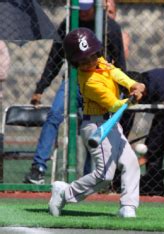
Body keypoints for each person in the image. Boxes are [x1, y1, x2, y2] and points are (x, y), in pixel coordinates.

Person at [23, 0, 126, 184]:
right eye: (80, 8)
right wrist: (41, 87)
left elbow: (119, 61)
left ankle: (90, 174)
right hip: (74, 81)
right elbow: (55, 58)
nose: (83, 13)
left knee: (93, 125)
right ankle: (38, 168)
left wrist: (123, 89)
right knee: (54, 115)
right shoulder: (70, 24)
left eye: (87, 8)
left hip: (99, 85)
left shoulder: (110, 27)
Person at [48, 27, 144, 218]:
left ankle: (128, 206)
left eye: (91, 56)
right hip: (96, 126)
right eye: (82, 60)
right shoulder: (89, 81)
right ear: (74, 62)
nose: (89, 62)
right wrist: (131, 100)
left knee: (131, 163)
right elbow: (115, 105)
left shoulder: (100, 62)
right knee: (104, 176)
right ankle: (65, 193)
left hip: (111, 123)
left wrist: (133, 84)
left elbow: (115, 72)